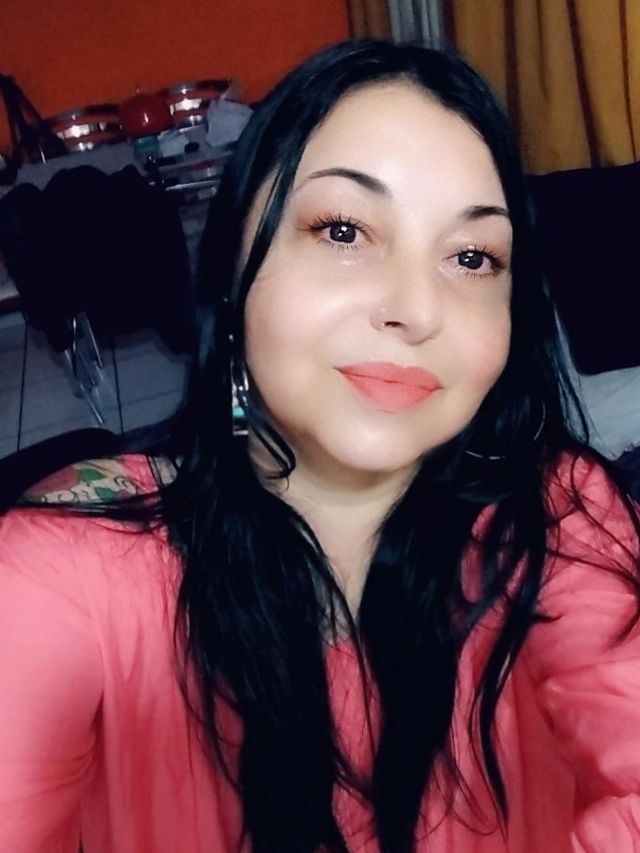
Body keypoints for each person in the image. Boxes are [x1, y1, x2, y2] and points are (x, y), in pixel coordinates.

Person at [1, 39, 639, 853]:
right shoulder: (63, 577)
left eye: (472, 256)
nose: (418, 309)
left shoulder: (554, 513)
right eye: (343, 229)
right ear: (233, 271)